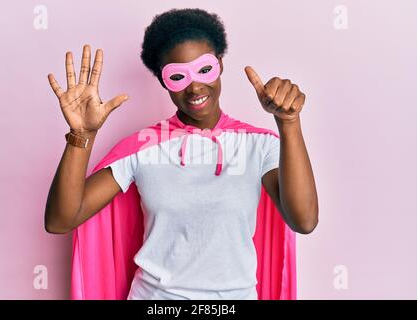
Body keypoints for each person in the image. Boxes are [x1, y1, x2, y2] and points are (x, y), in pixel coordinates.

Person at [44, 8, 318, 300]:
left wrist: (288, 123)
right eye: (178, 76)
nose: (195, 86)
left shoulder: (258, 145)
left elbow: (304, 220)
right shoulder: (144, 148)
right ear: (164, 82)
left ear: (220, 65)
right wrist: (81, 136)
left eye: (204, 70)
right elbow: (60, 219)